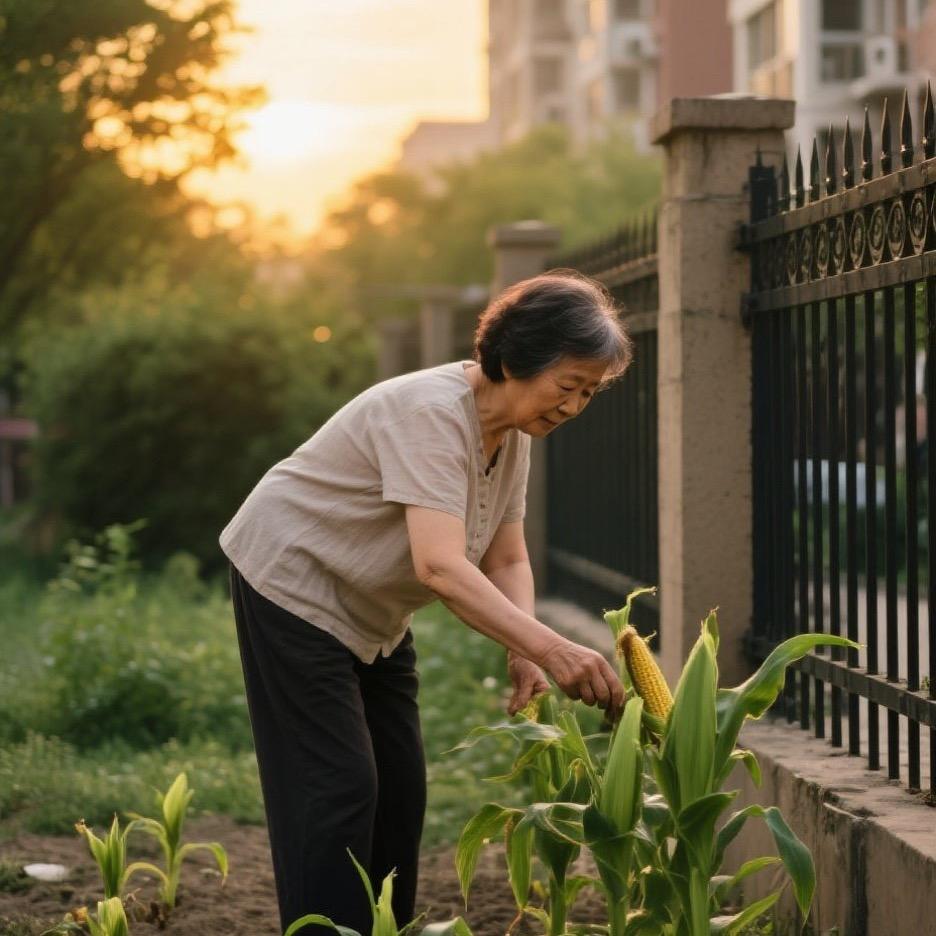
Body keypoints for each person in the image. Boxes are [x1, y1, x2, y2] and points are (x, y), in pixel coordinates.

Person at [220, 270, 633, 935]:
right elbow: (440, 565)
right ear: (518, 358)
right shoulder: (431, 412)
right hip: (293, 582)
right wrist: (552, 648)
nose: (574, 405)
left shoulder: (513, 434)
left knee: (401, 791)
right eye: (568, 385)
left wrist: (522, 647)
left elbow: (507, 558)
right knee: (337, 787)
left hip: (372, 609)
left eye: (589, 392)